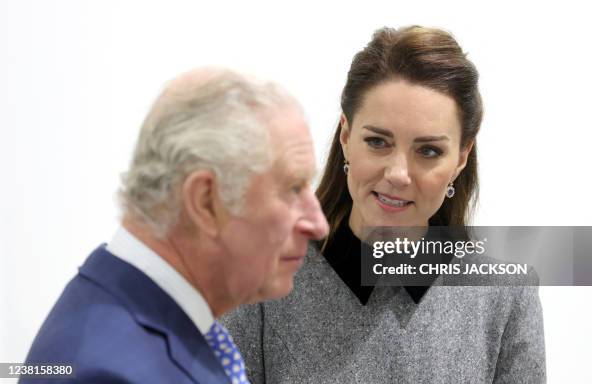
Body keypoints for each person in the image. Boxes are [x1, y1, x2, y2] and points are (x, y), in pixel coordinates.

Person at [222, 26, 546, 383]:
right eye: (378, 142)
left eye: (428, 150)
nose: (398, 174)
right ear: (346, 136)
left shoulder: (504, 295)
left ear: (461, 157)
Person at [21, 68, 329, 384]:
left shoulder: (147, 319)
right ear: (206, 201)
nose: (319, 225)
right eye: (293, 189)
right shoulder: (108, 374)